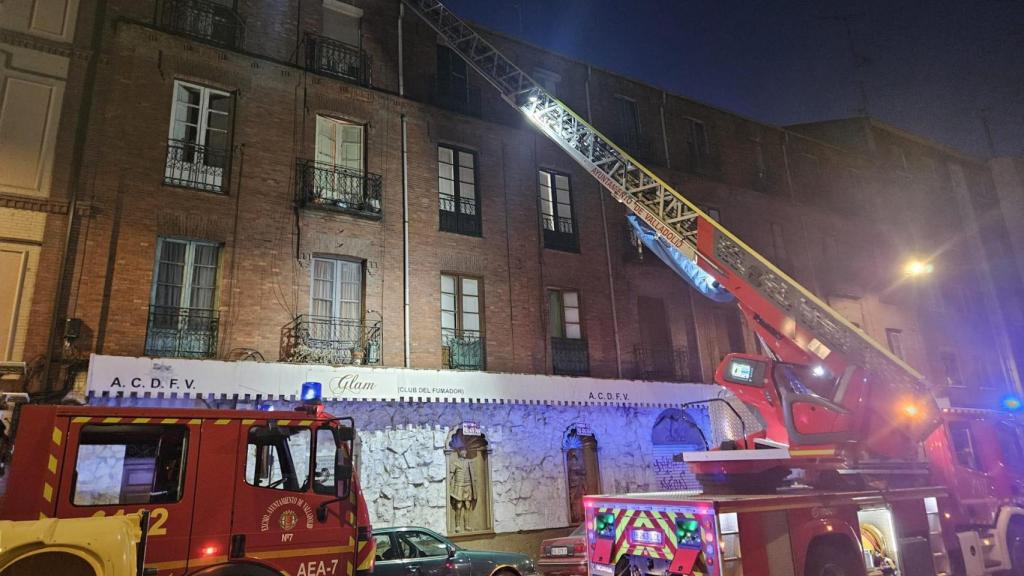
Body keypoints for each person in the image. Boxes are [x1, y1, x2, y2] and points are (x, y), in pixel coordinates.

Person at [449, 448, 476, 532]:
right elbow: (451, 475)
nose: (465, 452)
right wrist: (450, 487)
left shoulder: (469, 462)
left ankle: (467, 525)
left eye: (466, 451)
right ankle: (457, 526)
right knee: (459, 506)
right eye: (463, 451)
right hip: (459, 486)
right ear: (459, 452)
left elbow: (473, 476)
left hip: (467, 486)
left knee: (467, 506)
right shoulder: (455, 463)